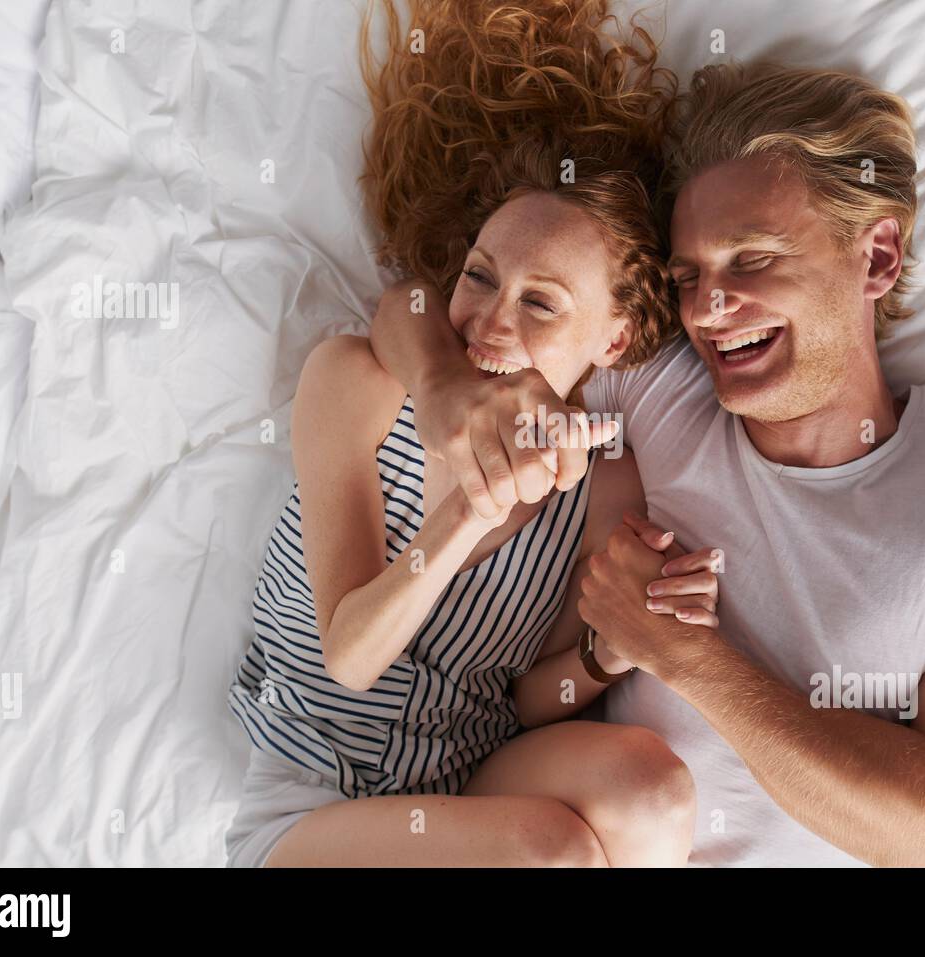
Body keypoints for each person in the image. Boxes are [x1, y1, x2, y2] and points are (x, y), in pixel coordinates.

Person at [370, 63, 925, 867]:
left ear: (879, 257)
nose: (709, 311)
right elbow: (407, 309)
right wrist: (440, 389)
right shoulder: (654, 391)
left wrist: (686, 654)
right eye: (689, 278)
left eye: (751, 260)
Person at [224, 0, 720, 867]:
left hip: (467, 777)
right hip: (314, 792)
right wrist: (464, 510)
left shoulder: (605, 485)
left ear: (616, 341)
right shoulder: (363, 383)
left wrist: (606, 655)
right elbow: (349, 655)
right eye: (480, 277)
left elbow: (529, 698)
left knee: (650, 790)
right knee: (552, 851)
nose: (490, 322)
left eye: (539, 302)